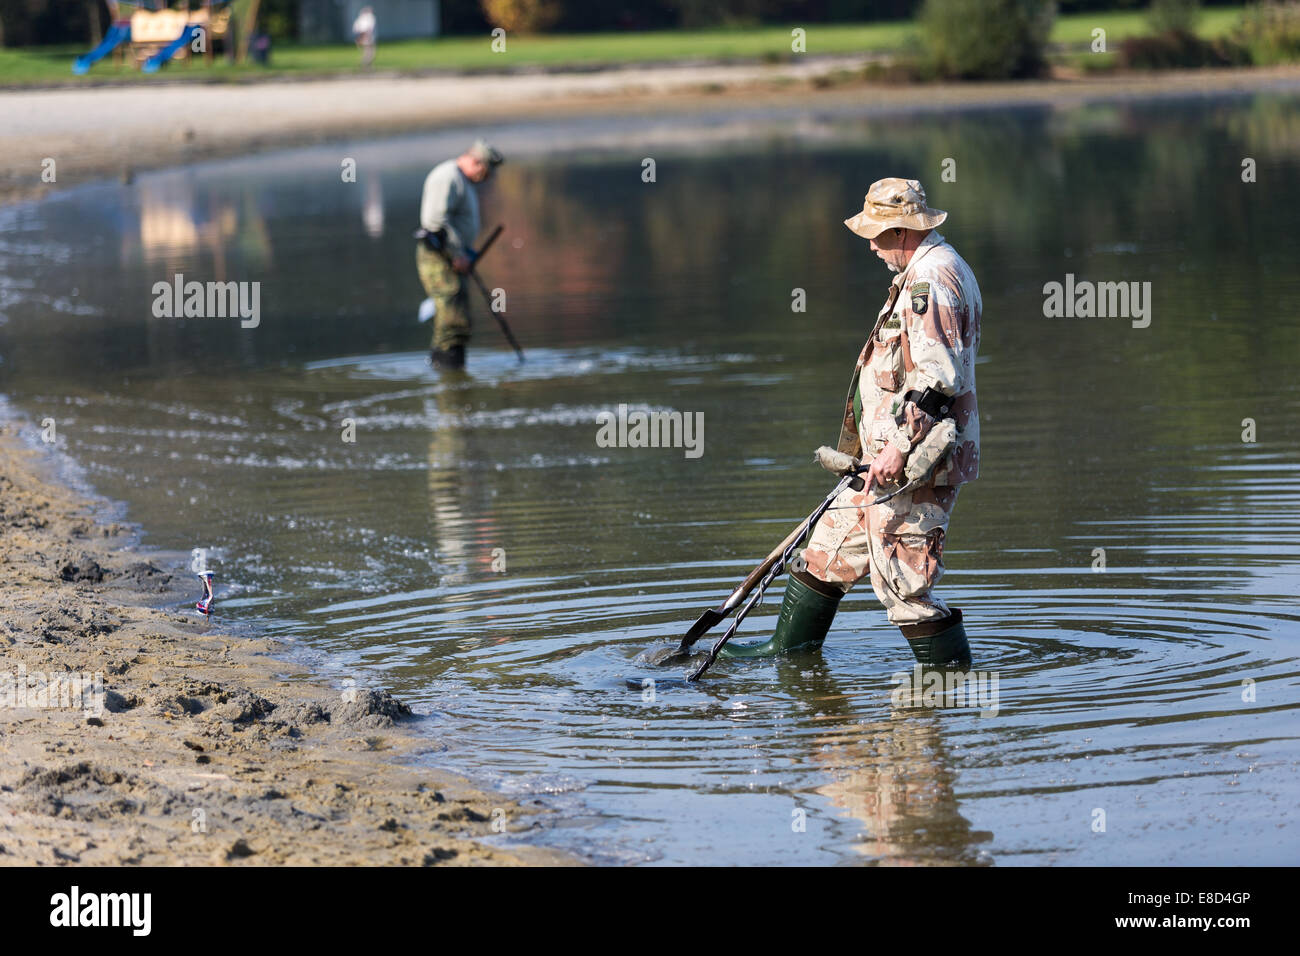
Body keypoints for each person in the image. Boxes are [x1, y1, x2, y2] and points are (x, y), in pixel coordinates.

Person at [722, 178, 981, 669]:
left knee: (903, 585)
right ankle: (787, 654)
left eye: (878, 234)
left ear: (902, 231)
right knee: (826, 548)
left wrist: (898, 448)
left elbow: (937, 383)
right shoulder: (926, 271)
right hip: (881, 459)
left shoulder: (930, 281)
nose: (870, 245)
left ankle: (948, 687)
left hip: (913, 464)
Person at [415, 139, 504, 369]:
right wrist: (457, 255)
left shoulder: (460, 179)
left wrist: (466, 253)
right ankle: (446, 373)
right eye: (485, 171)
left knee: (458, 320)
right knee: (451, 321)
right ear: (476, 161)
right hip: (440, 258)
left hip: (453, 258)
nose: (485, 178)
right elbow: (434, 221)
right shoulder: (448, 176)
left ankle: (453, 379)